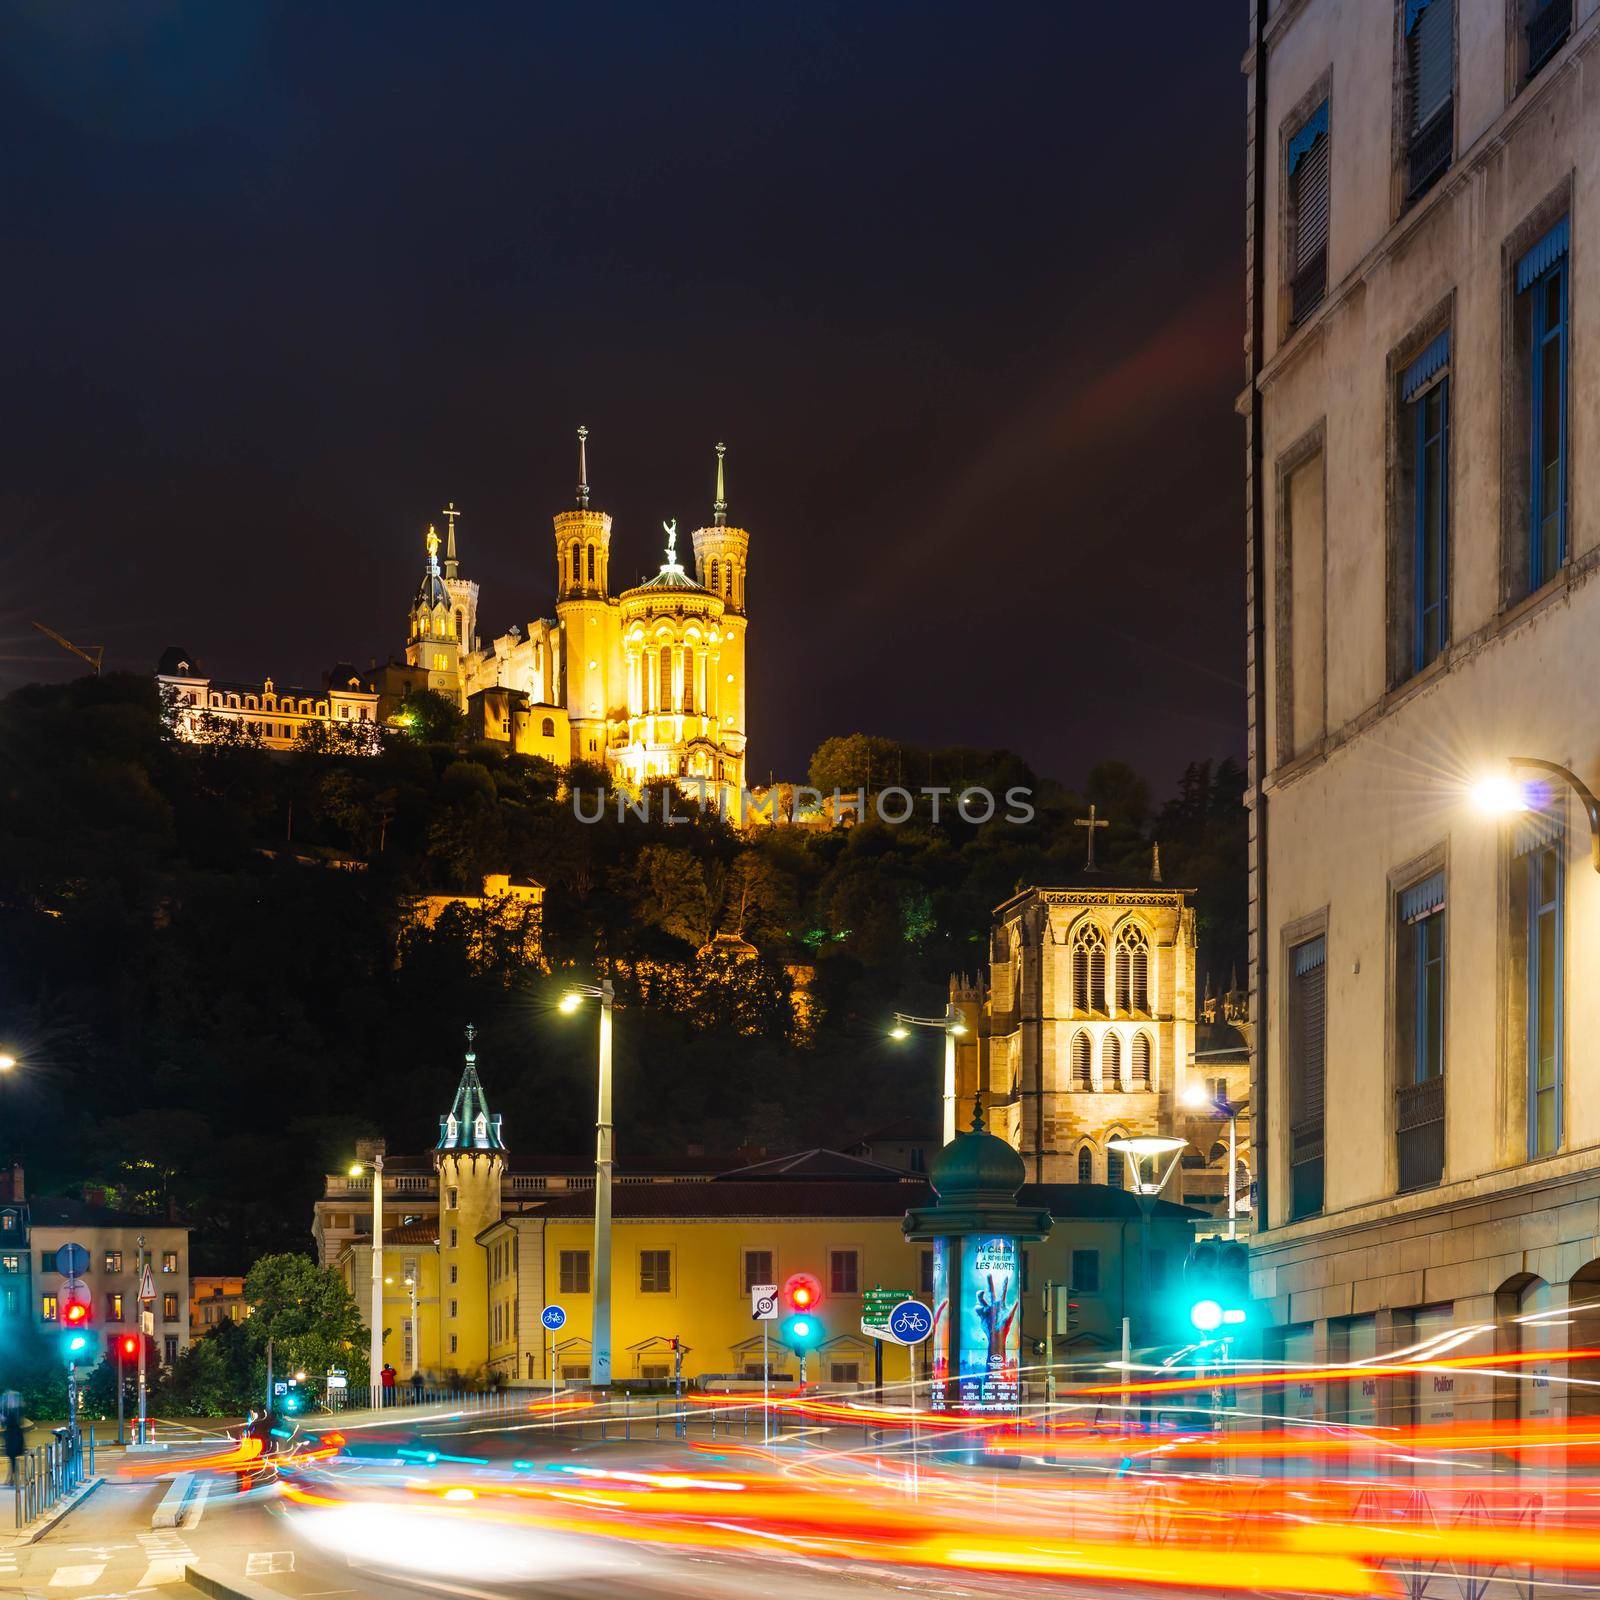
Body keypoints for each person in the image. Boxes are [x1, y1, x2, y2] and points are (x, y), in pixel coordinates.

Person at [2, 1392, 25, 1488]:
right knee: (12, 1459)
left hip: (13, 1437)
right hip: (15, 1436)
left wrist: (4, 1419)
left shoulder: (14, 1410)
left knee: (13, 1458)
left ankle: (12, 1479)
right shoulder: (17, 1409)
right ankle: (11, 1478)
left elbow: (10, 1422)